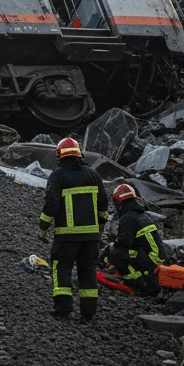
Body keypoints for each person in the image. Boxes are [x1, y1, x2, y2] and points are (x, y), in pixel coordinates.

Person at [39, 137, 109, 322]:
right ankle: (88, 312)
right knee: (87, 271)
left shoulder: (58, 176)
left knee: (61, 269)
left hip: (66, 237)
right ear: (79, 155)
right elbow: (103, 204)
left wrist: (43, 227)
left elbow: (52, 205)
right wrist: (101, 226)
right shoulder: (93, 174)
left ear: (59, 156)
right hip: (91, 238)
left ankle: (63, 309)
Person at [103, 183, 167, 294]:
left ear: (119, 203)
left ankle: (137, 284)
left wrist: (108, 249)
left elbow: (125, 243)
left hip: (150, 260)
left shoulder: (127, 218)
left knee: (116, 252)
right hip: (157, 257)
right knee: (123, 251)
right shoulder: (142, 215)